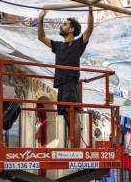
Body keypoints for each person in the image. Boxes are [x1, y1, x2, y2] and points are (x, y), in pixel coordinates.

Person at [37, 8, 94, 140]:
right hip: (61, 85)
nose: (61, 26)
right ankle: (74, 144)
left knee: (71, 114)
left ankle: (76, 149)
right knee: (66, 116)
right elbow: (41, 37)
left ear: (71, 29)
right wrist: (40, 19)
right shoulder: (58, 46)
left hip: (70, 84)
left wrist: (90, 9)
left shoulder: (78, 44)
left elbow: (90, 29)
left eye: (65, 24)